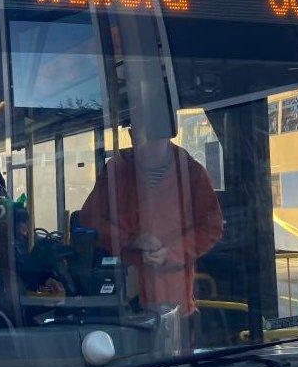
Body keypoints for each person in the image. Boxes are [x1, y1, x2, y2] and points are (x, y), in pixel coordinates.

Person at [78, 125, 223, 318]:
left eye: (152, 138)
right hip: (122, 299)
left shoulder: (191, 173)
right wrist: (130, 240)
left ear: (168, 134)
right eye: (139, 138)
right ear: (130, 135)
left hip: (173, 304)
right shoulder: (116, 170)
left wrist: (171, 252)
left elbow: (211, 227)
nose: (145, 146)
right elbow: (88, 220)